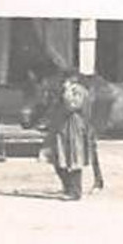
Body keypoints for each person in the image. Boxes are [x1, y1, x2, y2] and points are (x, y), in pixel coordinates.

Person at [46, 73, 94, 201]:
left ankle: (75, 191)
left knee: (74, 158)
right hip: (62, 127)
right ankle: (67, 187)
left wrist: (66, 92)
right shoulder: (65, 91)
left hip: (74, 126)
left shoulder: (78, 91)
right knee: (59, 159)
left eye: (66, 79)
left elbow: (72, 106)